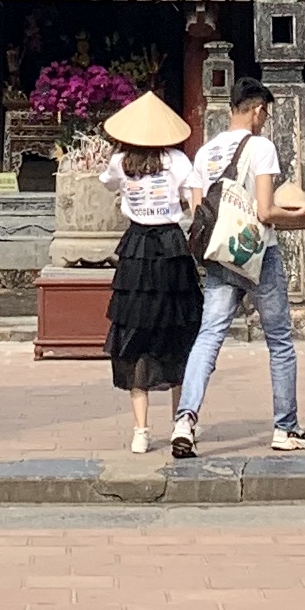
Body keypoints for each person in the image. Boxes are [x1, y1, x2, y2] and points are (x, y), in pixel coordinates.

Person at [173, 79, 305, 456]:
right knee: (280, 341)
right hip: (258, 253)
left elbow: (198, 211)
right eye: (264, 114)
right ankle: (285, 427)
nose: (264, 120)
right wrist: (301, 215)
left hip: (219, 254)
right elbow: (266, 211)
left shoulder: (205, 151)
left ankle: (185, 419)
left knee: (209, 335)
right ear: (257, 110)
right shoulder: (261, 147)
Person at [96, 88, 202, 452]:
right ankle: (180, 423)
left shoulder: (120, 160)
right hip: (171, 246)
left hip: (137, 247)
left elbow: (108, 183)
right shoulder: (178, 160)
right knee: (178, 330)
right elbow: (194, 196)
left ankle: (140, 431)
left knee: (133, 332)